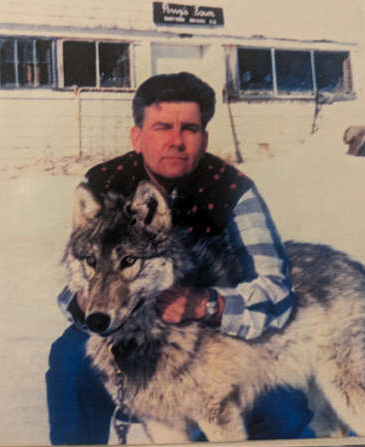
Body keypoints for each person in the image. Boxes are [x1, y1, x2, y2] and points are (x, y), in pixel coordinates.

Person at [45, 72, 313, 444]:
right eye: (161, 127)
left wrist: (207, 305)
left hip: (220, 340)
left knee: (286, 413)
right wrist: (82, 301)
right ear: (137, 136)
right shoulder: (104, 184)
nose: (176, 141)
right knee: (70, 363)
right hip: (125, 328)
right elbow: (80, 270)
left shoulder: (234, 192)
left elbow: (278, 295)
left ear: (204, 137)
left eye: (189, 128)